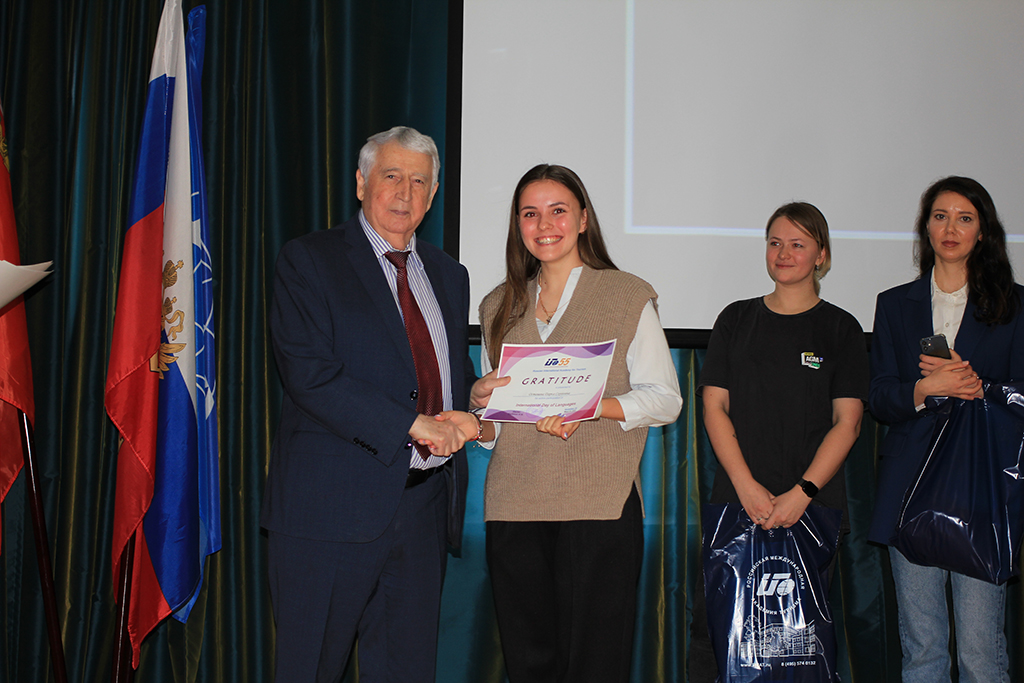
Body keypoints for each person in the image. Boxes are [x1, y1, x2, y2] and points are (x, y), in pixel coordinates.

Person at [261, 126, 494, 683]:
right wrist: (413, 424)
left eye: (419, 181)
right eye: (392, 176)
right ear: (362, 183)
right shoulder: (309, 260)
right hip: (328, 512)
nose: (405, 193)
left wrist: (473, 397)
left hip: (422, 510)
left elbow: (434, 370)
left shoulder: (449, 274)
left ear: (433, 195)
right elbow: (310, 375)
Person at [472, 164, 682, 683]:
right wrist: (477, 408)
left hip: (599, 506)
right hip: (514, 506)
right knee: (528, 664)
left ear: (583, 219)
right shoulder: (497, 304)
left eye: (558, 210)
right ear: (518, 225)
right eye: (530, 213)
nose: (544, 224)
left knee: (596, 665)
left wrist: (591, 406)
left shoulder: (627, 294)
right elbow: (498, 425)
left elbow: (665, 400)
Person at [692, 202, 868, 679]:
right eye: (775, 243)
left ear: (821, 256)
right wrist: (746, 487)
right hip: (737, 504)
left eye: (797, 244)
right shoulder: (735, 319)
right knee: (719, 641)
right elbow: (714, 408)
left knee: (797, 650)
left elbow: (848, 422)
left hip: (811, 509)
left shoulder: (841, 328)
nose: (783, 253)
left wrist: (802, 493)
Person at [868, 176, 1023, 683]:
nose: (950, 228)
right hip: (910, 487)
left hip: (981, 488)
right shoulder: (895, 304)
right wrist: (925, 388)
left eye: (964, 218)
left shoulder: (1015, 306)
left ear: (983, 231)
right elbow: (879, 396)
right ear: (926, 228)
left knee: (981, 654)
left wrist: (980, 386)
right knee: (923, 653)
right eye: (940, 216)